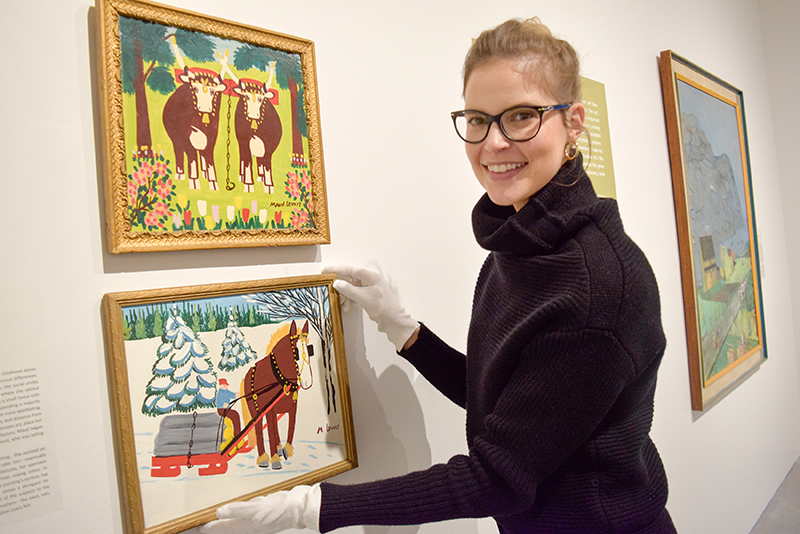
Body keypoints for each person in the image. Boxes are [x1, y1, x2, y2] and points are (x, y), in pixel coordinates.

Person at [201, 17, 675, 534]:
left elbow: (499, 475)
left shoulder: (595, 286)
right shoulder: (523, 241)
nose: (492, 143)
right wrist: (403, 329)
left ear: (574, 122)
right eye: (477, 119)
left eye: (521, 116)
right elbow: (504, 399)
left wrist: (319, 509)